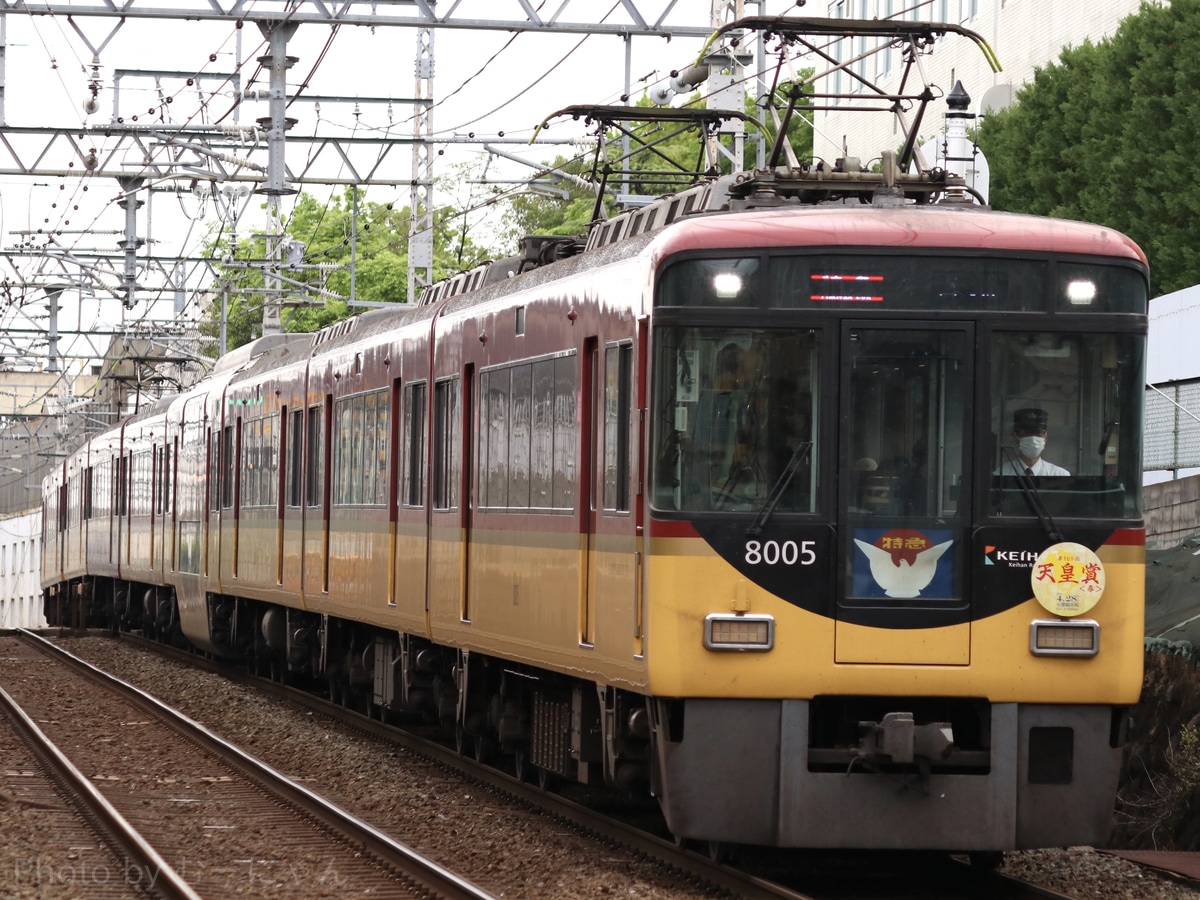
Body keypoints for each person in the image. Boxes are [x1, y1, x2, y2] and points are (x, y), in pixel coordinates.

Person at [999, 407, 1070, 476]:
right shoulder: (1000, 474)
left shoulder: (1060, 475)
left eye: (1037, 433)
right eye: (1026, 433)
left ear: (1046, 437)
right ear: (1015, 437)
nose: (1032, 438)